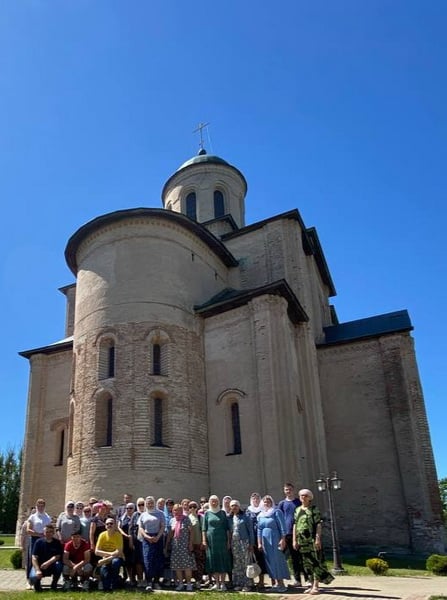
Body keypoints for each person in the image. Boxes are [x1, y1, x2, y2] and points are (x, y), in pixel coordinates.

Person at [293, 489, 334, 595]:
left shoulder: (314, 509)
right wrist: (294, 540)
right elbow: (295, 525)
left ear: (310, 497)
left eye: (305, 495)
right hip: (301, 541)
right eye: (301, 495)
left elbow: (318, 524)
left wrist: (317, 538)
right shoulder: (297, 510)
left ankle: (316, 586)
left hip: (311, 540)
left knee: (315, 562)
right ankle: (310, 584)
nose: (303, 497)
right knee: (306, 563)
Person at [257, 495, 289, 593]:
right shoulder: (261, 515)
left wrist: (283, 539)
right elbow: (259, 529)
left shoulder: (276, 512)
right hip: (265, 541)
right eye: (265, 501)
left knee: (277, 560)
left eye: (269, 501)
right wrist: (259, 543)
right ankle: (275, 583)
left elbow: (282, 527)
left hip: (275, 539)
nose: (266, 503)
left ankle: (281, 584)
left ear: (272, 502)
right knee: (269, 562)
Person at [201, 495, 231, 591]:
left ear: (218, 502)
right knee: (213, 560)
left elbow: (227, 529)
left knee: (222, 560)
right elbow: (204, 528)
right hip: (211, 541)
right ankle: (216, 583)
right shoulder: (207, 513)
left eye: (215, 501)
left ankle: (223, 583)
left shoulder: (222, 513)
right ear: (209, 502)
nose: (214, 503)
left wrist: (228, 541)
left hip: (222, 540)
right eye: (212, 501)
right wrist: (204, 540)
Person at [278, 482, 304, 586]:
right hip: (286, 533)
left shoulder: (298, 502)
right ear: (284, 491)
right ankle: (285, 580)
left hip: (298, 532)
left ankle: (303, 579)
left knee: (298, 557)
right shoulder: (282, 504)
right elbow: (279, 518)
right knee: (284, 557)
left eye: (290, 489)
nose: (288, 491)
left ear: (293, 490)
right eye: (286, 490)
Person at [166, 502, 196, 591]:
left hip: (185, 546)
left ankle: (189, 584)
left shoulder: (186, 519)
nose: (177, 512)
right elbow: (170, 534)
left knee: (187, 566)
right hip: (175, 547)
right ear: (172, 511)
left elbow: (191, 532)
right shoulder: (172, 520)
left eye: (179, 510)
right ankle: (181, 584)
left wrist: (190, 544)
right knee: (177, 566)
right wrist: (167, 545)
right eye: (175, 510)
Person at [139, 495, 166, 592]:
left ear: (154, 503)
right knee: (148, 560)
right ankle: (149, 582)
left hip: (158, 538)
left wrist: (157, 537)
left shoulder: (160, 513)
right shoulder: (143, 515)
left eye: (151, 503)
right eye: (148, 503)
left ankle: (156, 581)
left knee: (158, 560)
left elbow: (163, 526)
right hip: (147, 539)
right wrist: (147, 537)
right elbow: (141, 527)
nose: (150, 505)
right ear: (146, 504)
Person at [228, 499, 254, 591]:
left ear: (239, 506)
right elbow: (229, 532)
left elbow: (250, 531)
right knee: (237, 563)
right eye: (232, 506)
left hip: (244, 542)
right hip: (234, 543)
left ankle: (247, 584)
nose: (234, 507)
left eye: (236, 505)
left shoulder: (245, 517)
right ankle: (238, 583)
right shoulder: (229, 518)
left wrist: (251, 544)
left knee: (245, 562)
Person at [29, 524, 63, 592]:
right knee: (33, 577)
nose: (48, 533)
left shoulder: (57, 542)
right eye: (47, 532)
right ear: (44, 533)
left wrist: (47, 563)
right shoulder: (38, 542)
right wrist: (37, 570)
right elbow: (34, 557)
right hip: (40, 565)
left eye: (50, 532)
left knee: (59, 565)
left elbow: (57, 556)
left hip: (52, 564)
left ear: (53, 533)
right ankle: (37, 585)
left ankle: (54, 585)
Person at [26, 499, 52, 585]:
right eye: (39, 506)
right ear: (36, 507)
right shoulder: (32, 517)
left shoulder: (47, 517)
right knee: (32, 559)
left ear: (44, 507)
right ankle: (29, 580)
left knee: (42, 558)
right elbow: (28, 530)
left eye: (42, 506)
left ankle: (38, 579)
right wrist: (38, 534)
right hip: (34, 539)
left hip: (44, 540)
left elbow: (50, 529)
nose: (40, 508)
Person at [95, 517, 124, 592]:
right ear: (105, 526)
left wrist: (105, 560)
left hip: (115, 558)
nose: (109, 525)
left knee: (115, 562)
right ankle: (108, 584)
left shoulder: (118, 535)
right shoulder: (102, 535)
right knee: (105, 584)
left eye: (111, 523)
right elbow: (97, 551)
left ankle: (114, 583)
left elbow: (119, 552)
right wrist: (110, 554)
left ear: (115, 525)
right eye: (107, 524)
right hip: (106, 557)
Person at [246, 492, 267, 589]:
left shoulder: (264, 510)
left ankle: (261, 581)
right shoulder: (248, 511)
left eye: (257, 498)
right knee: (252, 560)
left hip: (262, 538)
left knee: (262, 560)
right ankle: (252, 581)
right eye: (254, 499)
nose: (256, 500)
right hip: (252, 538)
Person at [188, 501, 205, 587]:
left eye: (194, 507)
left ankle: (198, 580)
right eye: (190, 507)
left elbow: (203, 530)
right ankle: (191, 580)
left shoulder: (200, 517)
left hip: (198, 543)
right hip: (190, 544)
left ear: (197, 508)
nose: (192, 508)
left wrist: (203, 541)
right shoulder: (187, 518)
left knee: (199, 563)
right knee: (190, 563)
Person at [118, 502, 136, 585]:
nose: (129, 510)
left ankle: (135, 578)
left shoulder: (136, 517)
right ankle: (129, 578)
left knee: (134, 560)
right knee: (127, 560)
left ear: (134, 509)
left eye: (130, 508)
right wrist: (126, 535)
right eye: (127, 508)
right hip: (124, 541)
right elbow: (119, 527)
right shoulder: (123, 518)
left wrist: (131, 538)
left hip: (135, 541)